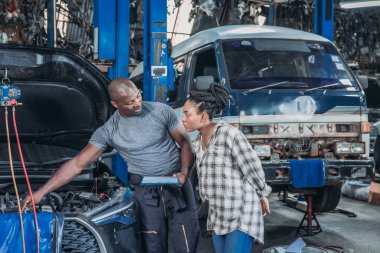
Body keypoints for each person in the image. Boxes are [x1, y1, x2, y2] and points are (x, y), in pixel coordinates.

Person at [23, 77, 201, 253]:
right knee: (151, 244)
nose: (137, 103)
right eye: (130, 102)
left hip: (176, 183)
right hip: (146, 192)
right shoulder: (108, 131)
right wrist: (41, 192)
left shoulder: (161, 111)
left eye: (138, 96)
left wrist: (184, 173)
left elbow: (185, 143)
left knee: (185, 241)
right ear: (115, 104)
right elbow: (77, 164)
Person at [181, 83, 271, 253]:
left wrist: (262, 194)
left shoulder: (229, 134)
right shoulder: (198, 142)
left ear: (203, 115)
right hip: (218, 215)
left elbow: (252, 167)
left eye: (187, 114)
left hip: (241, 211)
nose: (183, 119)